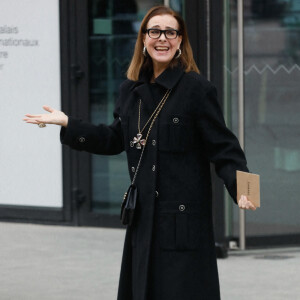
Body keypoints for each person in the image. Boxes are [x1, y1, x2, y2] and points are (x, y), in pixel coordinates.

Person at [24, 5, 256, 300]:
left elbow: (224, 148)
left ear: (180, 41)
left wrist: (243, 187)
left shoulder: (197, 88)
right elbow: (112, 139)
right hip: (143, 220)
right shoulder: (130, 90)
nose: (162, 38)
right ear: (144, 40)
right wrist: (69, 123)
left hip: (183, 226)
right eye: (154, 31)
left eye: (170, 32)